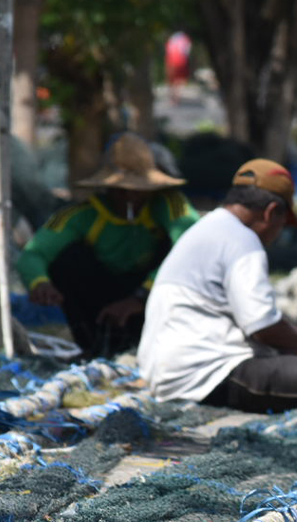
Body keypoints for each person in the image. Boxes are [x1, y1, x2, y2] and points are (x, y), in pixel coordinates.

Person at [139, 159, 297, 414]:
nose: (277, 234)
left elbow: (254, 321)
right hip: (203, 376)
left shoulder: (210, 227)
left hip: (166, 371)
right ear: (270, 212)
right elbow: (262, 327)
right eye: (281, 224)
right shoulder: (243, 241)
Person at [18, 133, 194, 358]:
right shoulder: (82, 215)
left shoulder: (170, 205)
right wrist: (39, 282)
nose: (130, 196)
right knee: (68, 259)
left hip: (151, 290)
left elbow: (191, 246)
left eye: (138, 189)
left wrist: (141, 296)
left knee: (179, 257)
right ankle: (93, 345)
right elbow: (33, 254)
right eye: (121, 190)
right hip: (102, 296)